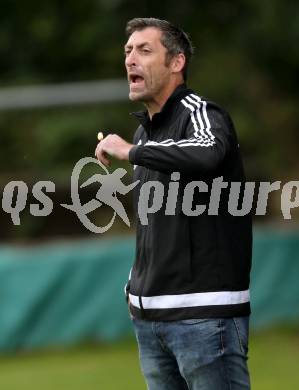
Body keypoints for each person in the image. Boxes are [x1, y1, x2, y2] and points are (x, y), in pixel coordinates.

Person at [95, 17, 252, 390]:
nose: (131, 59)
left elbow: (206, 154)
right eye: (128, 51)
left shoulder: (203, 115)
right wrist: (137, 288)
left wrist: (133, 151)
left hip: (204, 316)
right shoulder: (145, 132)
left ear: (176, 62)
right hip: (151, 319)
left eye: (145, 51)